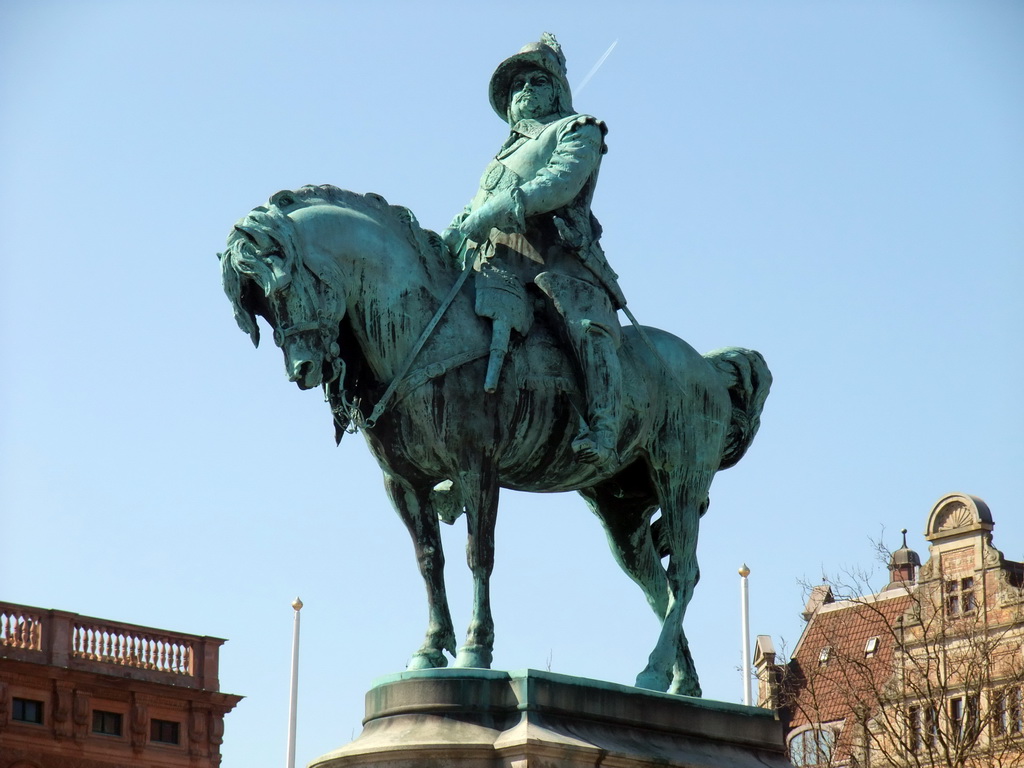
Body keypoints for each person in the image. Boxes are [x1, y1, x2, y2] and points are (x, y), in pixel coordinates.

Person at [443, 33, 626, 470]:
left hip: (560, 261)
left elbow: (561, 183)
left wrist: (503, 208)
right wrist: (444, 242)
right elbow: (470, 211)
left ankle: (603, 429)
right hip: (498, 263)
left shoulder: (579, 129)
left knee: (584, 327)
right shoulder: (501, 159)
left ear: (557, 90)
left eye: (535, 82)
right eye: (517, 87)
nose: (524, 91)